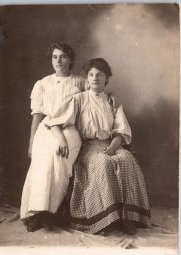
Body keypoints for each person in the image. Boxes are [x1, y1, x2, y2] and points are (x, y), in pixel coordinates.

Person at [44, 57, 151, 235]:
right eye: (91, 74)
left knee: (127, 160)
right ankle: (106, 219)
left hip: (111, 143)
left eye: (99, 75)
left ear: (106, 78)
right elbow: (53, 121)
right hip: (88, 146)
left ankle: (128, 218)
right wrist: (61, 140)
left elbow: (120, 131)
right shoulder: (78, 99)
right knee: (103, 163)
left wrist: (112, 148)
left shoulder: (112, 102)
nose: (94, 78)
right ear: (87, 78)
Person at [20, 42, 85, 232]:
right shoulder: (43, 83)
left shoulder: (80, 81)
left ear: (70, 59)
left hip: (70, 129)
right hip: (46, 128)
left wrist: (112, 95)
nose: (59, 60)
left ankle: (55, 209)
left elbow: (97, 93)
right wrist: (32, 141)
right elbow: (38, 115)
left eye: (63, 56)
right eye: (55, 56)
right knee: (45, 156)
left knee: (59, 156)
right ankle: (38, 212)